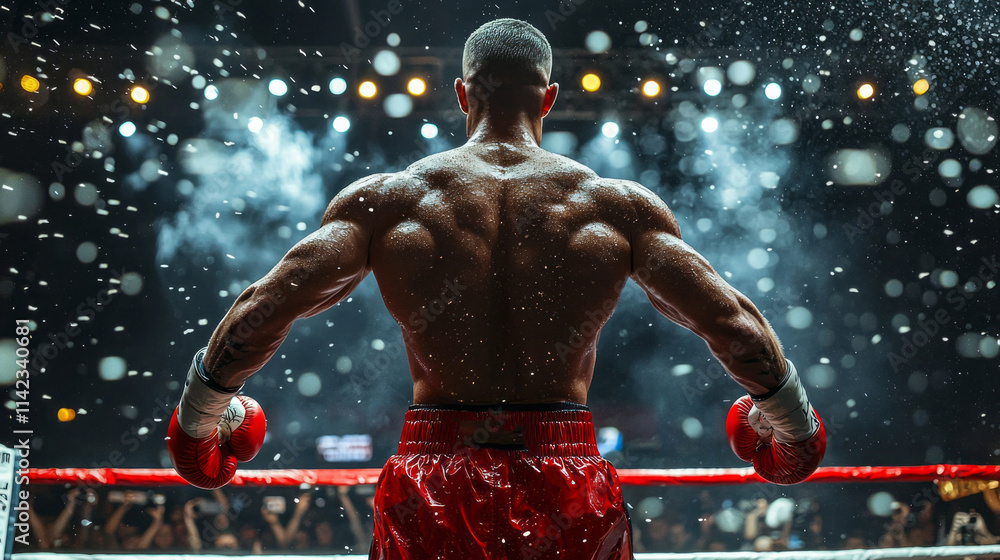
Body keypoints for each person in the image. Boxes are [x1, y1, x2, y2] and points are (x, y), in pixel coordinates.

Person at [165, 18, 827, 559]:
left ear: (461, 94)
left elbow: (262, 308)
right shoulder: (613, 209)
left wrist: (199, 425)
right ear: (548, 98)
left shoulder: (389, 204)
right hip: (563, 479)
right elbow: (735, 328)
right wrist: (791, 429)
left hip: (434, 478)